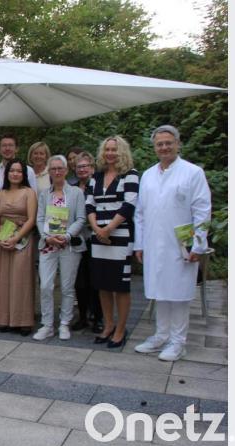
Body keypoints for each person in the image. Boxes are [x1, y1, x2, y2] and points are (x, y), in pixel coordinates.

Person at [134, 125, 211, 361]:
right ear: (154, 147)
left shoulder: (192, 172)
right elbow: (140, 213)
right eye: (160, 144)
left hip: (181, 246)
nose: (164, 147)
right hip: (154, 243)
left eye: (169, 142)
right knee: (160, 291)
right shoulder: (147, 175)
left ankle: (178, 342)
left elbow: (203, 210)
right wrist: (139, 244)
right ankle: (160, 336)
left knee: (178, 293)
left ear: (178, 143)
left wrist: (198, 244)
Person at [85, 135, 139, 348]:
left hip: (120, 236)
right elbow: (89, 205)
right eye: (107, 149)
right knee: (102, 284)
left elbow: (129, 206)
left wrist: (108, 228)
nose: (110, 153)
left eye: (114, 150)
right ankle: (108, 325)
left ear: (122, 151)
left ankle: (120, 329)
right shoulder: (96, 177)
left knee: (120, 286)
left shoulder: (130, 175)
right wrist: (97, 228)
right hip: (98, 237)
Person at [32, 155, 86, 341]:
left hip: (68, 245)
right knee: (46, 285)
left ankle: (64, 323)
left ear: (66, 170)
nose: (56, 172)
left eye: (60, 168)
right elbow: (40, 219)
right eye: (53, 169)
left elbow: (81, 218)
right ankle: (47, 325)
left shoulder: (76, 193)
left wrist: (67, 235)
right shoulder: (44, 194)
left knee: (67, 286)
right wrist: (48, 237)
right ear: (49, 172)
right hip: (48, 245)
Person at [0, 159, 37, 335]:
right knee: (2, 279)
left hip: (22, 240)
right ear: (7, 174)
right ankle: (3, 319)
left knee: (21, 279)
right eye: (12, 171)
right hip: (3, 238)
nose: (15, 174)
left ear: (24, 174)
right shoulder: (0, 194)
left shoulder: (29, 193)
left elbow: (31, 219)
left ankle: (23, 320)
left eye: (19, 171)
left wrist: (16, 237)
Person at [70, 151, 103, 333]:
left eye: (85, 166)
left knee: (95, 280)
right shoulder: (72, 188)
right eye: (78, 166)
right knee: (79, 281)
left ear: (92, 168)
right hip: (75, 240)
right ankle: (82, 316)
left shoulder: (99, 185)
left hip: (95, 239)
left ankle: (97, 317)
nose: (82, 169)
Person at [0, 133, 37, 222]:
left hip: (23, 224)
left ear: (16, 149)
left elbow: (34, 200)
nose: (7, 148)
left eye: (10, 145)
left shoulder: (28, 171)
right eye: (4, 145)